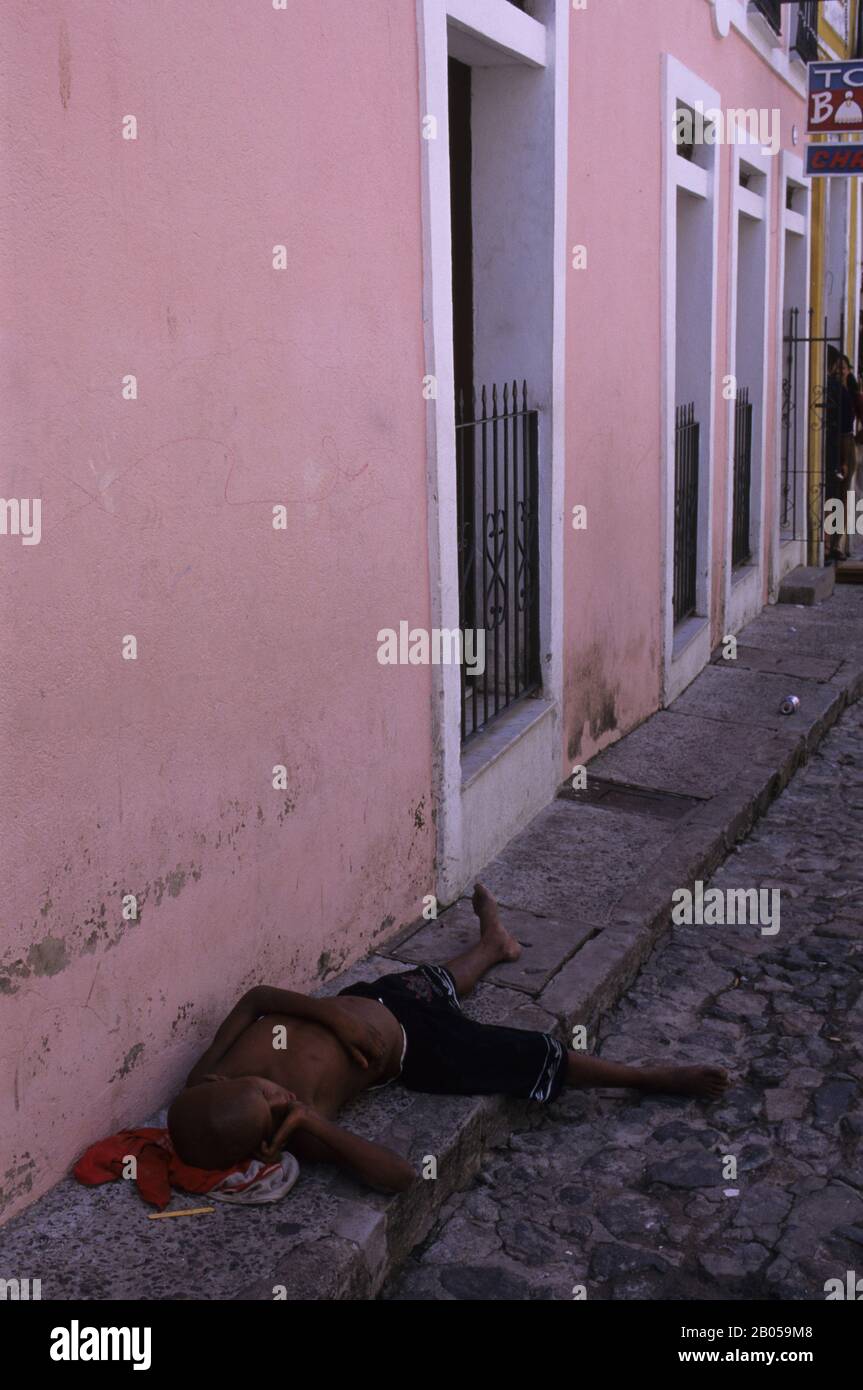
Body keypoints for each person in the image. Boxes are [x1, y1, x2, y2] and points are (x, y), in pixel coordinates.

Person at [167, 887, 729, 1192]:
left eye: (266, 1090)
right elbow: (400, 1177)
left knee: (438, 983)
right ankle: (649, 1076)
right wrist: (311, 1122)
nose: (280, 1097)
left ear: (223, 1080)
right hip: (418, 1052)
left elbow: (259, 998)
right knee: (528, 1054)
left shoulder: (205, 1077)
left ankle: (493, 943)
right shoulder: (298, 1127)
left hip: (373, 999)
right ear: (269, 1142)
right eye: (276, 1110)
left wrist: (333, 1018)